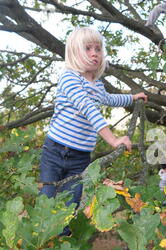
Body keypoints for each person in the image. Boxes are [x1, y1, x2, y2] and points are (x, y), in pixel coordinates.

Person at [39, 27, 148, 236]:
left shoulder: (96, 84)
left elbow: (109, 99)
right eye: (87, 48)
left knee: (71, 200)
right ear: (74, 53)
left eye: (98, 49)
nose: (94, 53)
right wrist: (113, 139)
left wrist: (132, 98)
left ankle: (61, 241)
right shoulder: (69, 78)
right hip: (55, 150)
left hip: (80, 156)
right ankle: (41, 240)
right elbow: (88, 108)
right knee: (48, 196)